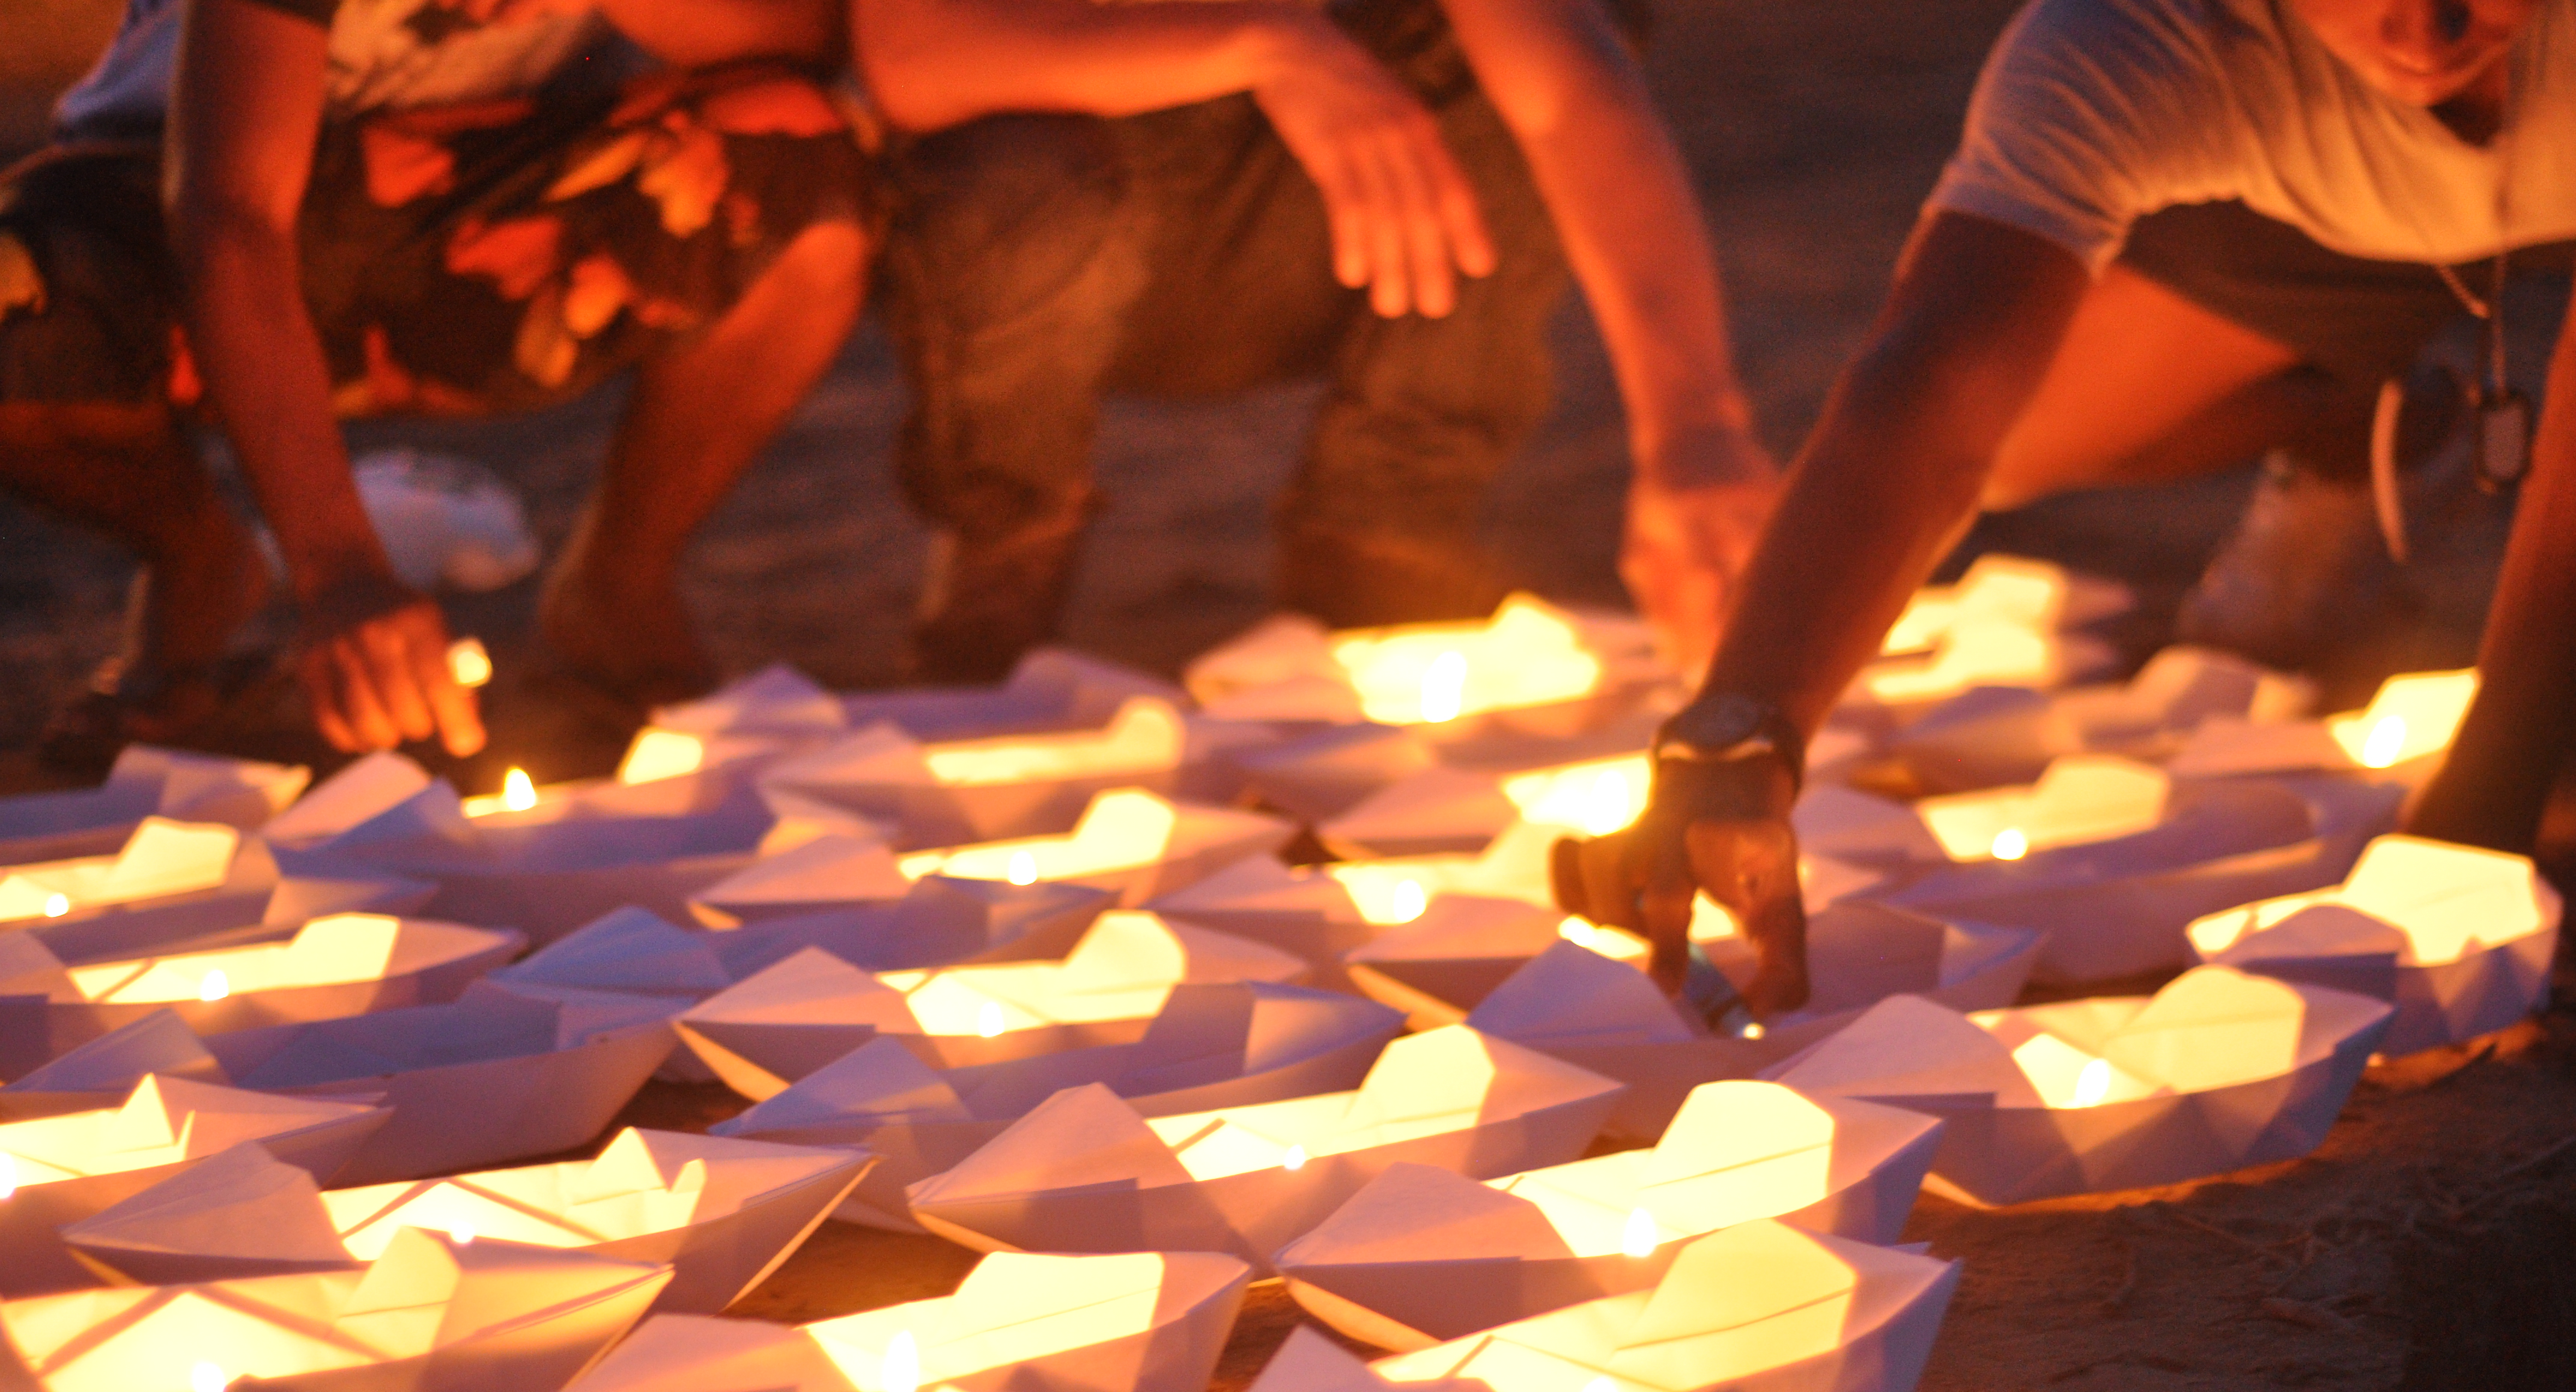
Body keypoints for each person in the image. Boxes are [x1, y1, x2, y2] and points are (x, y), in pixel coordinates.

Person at [1552, 0, 2576, 1014]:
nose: (2428, 30)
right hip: (2330, 234)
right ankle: (2360, 422)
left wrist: (2491, 792)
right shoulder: (2139, 39)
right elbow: (1935, 388)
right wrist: (1735, 737)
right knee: (2017, 435)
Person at [0, 0, 873, 765]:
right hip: (170, 234)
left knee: (802, 155)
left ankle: (621, 586)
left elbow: (819, 31)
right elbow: (231, 220)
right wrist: (338, 570)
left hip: (479, 207)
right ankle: (196, 558)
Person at [849, 0, 1778, 680]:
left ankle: (1380, 536)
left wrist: (1693, 429)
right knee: (1005, 173)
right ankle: (1004, 541)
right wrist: (1267, 47)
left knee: (1526, 50)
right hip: (1050, 244)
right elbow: (916, 54)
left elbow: (1572, 97)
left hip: (1334, 231)